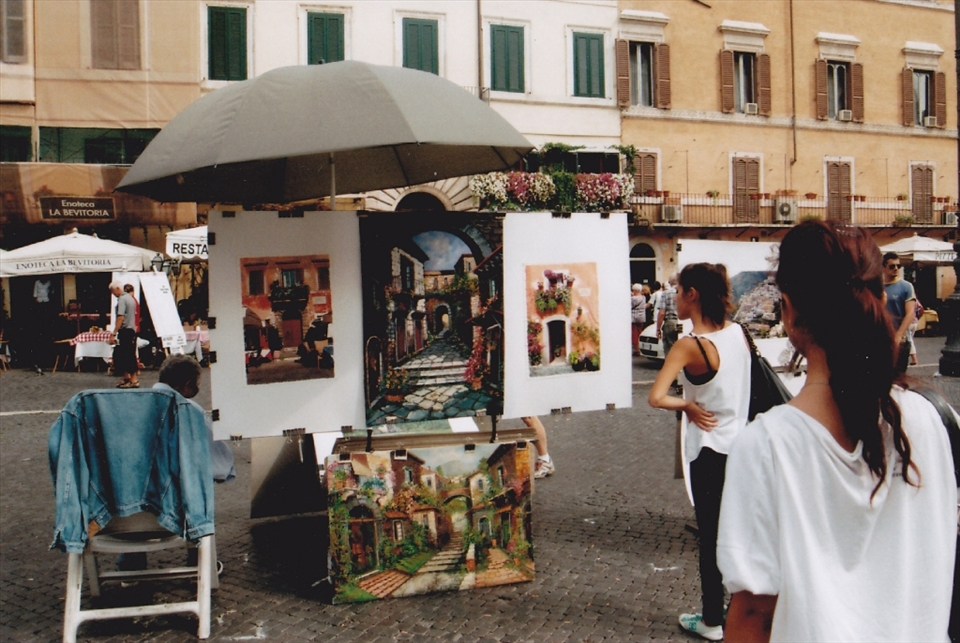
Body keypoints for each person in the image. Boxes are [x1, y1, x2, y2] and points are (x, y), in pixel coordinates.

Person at [717, 221, 957, 642]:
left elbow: (754, 612)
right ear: (881, 299)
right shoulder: (927, 419)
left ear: (788, 309)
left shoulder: (767, 445)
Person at [648, 263, 751, 641]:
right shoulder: (739, 334)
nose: (674, 298)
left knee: (711, 538)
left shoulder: (689, 345)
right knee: (737, 531)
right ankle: (740, 611)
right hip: (741, 445)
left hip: (709, 449)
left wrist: (688, 406)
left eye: (678, 291)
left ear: (693, 294)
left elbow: (656, 397)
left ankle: (712, 620)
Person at [119, 355, 236, 576]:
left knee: (133, 482)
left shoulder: (124, 411)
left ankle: (130, 566)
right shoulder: (190, 411)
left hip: (120, 518)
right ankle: (198, 562)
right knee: (192, 485)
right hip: (174, 517)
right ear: (188, 385)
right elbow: (220, 467)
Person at [881, 252, 916, 374]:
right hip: (882, 339)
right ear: (883, 267)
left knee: (899, 377)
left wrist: (899, 335)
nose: (896, 269)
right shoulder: (878, 287)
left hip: (900, 340)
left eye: (898, 266)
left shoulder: (906, 286)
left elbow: (910, 313)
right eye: (892, 266)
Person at [109, 281, 139, 388]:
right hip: (131, 329)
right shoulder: (131, 299)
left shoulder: (122, 299)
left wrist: (114, 332)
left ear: (117, 288)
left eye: (113, 291)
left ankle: (133, 379)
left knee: (125, 355)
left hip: (125, 330)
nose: (113, 294)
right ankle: (128, 378)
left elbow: (120, 317)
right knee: (126, 354)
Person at [656, 274, 680, 358]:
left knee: (670, 346)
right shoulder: (683, 292)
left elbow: (662, 313)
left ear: (670, 282)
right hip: (682, 321)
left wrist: (658, 329)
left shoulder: (666, 293)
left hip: (670, 321)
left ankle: (672, 367)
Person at [631, 284, 647, 356]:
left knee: (634, 333)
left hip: (634, 317)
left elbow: (630, 306)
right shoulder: (643, 298)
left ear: (634, 290)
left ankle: (636, 349)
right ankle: (640, 347)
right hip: (642, 317)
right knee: (640, 332)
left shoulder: (633, 299)